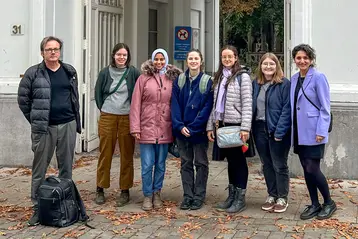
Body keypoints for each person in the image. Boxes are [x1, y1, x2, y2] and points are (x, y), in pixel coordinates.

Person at [17, 36, 81, 226]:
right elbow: (23, 100)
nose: (53, 52)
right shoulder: (34, 73)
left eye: (56, 49)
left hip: (68, 124)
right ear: (42, 52)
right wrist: (37, 119)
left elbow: (74, 97)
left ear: (60, 51)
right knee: (39, 169)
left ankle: (65, 205)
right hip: (44, 128)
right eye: (49, 49)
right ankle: (38, 208)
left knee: (66, 168)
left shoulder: (69, 71)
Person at [130, 48, 181, 211]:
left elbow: (177, 103)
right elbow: (135, 104)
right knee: (146, 164)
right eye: (156, 59)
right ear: (152, 60)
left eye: (162, 59)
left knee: (160, 164)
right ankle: (147, 195)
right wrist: (135, 127)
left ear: (166, 60)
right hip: (147, 127)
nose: (159, 62)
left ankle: (157, 192)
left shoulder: (172, 79)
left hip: (165, 128)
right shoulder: (143, 78)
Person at [290, 44, 336, 220]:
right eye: (299, 58)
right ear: (294, 60)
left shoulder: (318, 77)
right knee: (305, 168)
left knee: (313, 167)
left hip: (314, 131)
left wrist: (321, 131)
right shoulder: (294, 79)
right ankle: (314, 204)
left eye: (305, 58)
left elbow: (325, 107)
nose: (302, 61)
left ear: (311, 59)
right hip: (299, 132)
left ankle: (329, 202)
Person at [207, 45, 252, 213]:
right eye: (223, 57)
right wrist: (210, 125)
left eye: (229, 56)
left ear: (235, 58)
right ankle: (231, 196)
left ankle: (240, 198)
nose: (226, 59)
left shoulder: (243, 77)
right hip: (222, 125)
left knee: (239, 162)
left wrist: (245, 128)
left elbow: (248, 104)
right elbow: (214, 104)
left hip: (237, 125)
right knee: (231, 163)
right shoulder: (219, 77)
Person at [94, 43, 141, 206]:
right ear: (113, 55)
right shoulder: (105, 73)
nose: (122, 58)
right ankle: (100, 188)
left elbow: (138, 92)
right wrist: (105, 108)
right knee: (105, 153)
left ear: (128, 57)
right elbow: (98, 93)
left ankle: (125, 189)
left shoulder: (133, 72)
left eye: (125, 55)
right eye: (119, 55)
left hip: (127, 117)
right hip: (108, 116)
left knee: (127, 155)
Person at [171, 49, 214, 210]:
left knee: (201, 163)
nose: (193, 61)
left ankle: (199, 196)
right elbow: (174, 104)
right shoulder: (179, 80)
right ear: (187, 61)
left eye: (196, 58)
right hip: (181, 131)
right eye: (191, 58)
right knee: (186, 163)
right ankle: (188, 195)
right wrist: (180, 125)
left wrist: (195, 126)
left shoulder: (207, 81)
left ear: (201, 61)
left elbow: (207, 106)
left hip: (199, 131)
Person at [252, 53, 291, 213]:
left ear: (277, 66)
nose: (268, 67)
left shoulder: (284, 84)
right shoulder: (256, 83)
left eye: (271, 64)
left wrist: (280, 131)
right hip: (259, 128)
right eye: (265, 64)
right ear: (260, 66)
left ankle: (282, 197)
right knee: (266, 163)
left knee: (279, 164)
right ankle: (272, 194)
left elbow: (286, 109)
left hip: (277, 130)